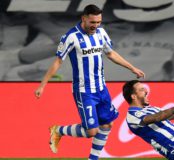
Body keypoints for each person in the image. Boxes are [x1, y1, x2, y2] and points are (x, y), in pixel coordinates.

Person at [34, 4, 145, 160]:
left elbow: (111, 54)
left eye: (98, 22)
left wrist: (132, 68)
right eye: (93, 22)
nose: (96, 26)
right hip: (84, 91)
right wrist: (42, 85)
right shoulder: (71, 37)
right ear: (84, 18)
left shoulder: (101, 33)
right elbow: (58, 62)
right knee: (91, 131)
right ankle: (58, 130)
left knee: (107, 125)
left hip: (101, 88)